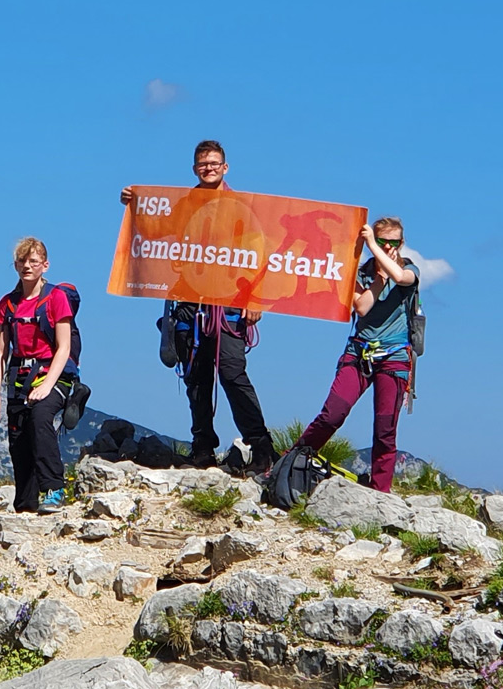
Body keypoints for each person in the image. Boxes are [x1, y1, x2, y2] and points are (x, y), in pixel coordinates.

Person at [121, 139, 271, 470]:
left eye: (214, 164)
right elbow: (157, 230)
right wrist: (134, 206)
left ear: (225, 167)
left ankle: (260, 446)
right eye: (203, 165)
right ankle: (202, 445)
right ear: (194, 169)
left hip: (229, 303)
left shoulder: (240, 207)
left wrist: (255, 298)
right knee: (197, 376)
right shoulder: (186, 204)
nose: (209, 169)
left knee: (233, 373)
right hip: (189, 299)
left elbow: (259, 256)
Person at [291, 217, 419, 492]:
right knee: (332, 414)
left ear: (401, 243)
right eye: (381, 241)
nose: (386, 247)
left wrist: (373, 247)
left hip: (394, 357)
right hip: (359, 352)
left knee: (385, 429)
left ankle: (380, 491)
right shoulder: (357, 274)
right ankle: (291, 461)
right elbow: (361, 307)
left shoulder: (410, 270)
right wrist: (377, 277)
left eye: (392, 242)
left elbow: (400, 278)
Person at [0, 236, 74, 513]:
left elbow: (64, 348)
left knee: (40, 419)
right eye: (23, 261)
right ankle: (25, 504)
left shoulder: (56, 299)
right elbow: (1, 351)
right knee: (19, 439)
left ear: (44, 265)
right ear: (15, 265)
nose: (28, 266)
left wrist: (48, 386)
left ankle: (54, 488)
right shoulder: (7, 304)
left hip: (53, 375)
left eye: (33, 261)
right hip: (19, 378)